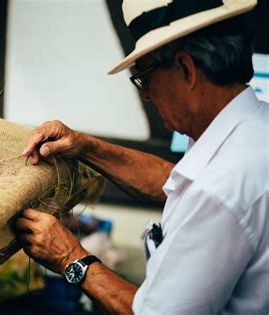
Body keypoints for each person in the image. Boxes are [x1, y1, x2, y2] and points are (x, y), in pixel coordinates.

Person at [14, 0, 268, 314]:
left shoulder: (220, 187)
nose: (144, 94)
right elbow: (171, 182)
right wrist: (84, 146)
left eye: (144, 76)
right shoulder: (253, 130)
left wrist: (70, 258)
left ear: (186, 69)